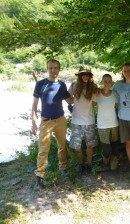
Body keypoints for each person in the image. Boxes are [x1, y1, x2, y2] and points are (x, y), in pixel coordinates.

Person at [31, 59, 73, 190]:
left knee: (62, 146)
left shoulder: (62, 85)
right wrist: (33, 121)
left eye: (55, 68)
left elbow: (69, 100)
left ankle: (63, 168)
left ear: (59, 69)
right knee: (43, 149)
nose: (53, 70)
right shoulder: (40, 84)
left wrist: (80, 92)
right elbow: (34, 104)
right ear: (47, 69)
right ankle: (39, 178)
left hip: (60, 120)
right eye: (50, 68)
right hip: (46, 121)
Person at [68, 67, 98, 174]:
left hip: (89, 121)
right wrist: (71, 105)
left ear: (90, 76)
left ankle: (89, 165)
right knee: (77, 146)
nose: (85, 76)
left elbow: (95, 103)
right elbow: (68, 98)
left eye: (87, 74)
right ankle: (80, 164)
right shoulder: (74, 86)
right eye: (83, 74)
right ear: (79, 76)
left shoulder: (94, 87)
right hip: (76, 121)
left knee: (90, 145)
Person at [94, 74, 120, 171]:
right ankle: (105, 163)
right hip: (102, 125)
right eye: (105, 81)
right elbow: (90, 105)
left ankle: (113, 166)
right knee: (106, 149)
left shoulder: (114, 94)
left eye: (109, 81)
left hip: (114, 124)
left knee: (115, 147)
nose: (107, 83)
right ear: (102, 82)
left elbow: (118, 107)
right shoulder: (97, 94)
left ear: (112, 82)